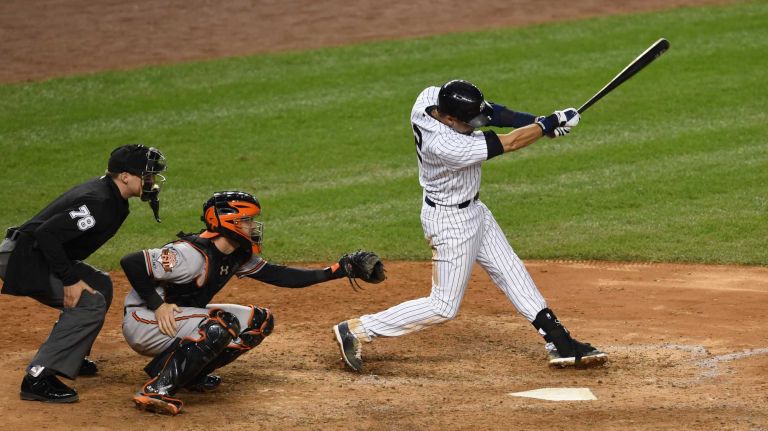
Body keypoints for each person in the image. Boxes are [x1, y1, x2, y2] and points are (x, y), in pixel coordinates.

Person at [332, 79, 607, 373]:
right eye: (468, 122)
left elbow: (493, 113)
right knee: (443, 306)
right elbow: (511, 142)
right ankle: (359, 329)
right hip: (451, 224)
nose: (475, 124)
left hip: (474, 210)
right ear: (449, 119)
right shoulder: (447, 146)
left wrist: (539, 122)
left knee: (511, 271)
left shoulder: (429, 98)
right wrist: (548, 124)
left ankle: (559, 341)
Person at [121, 191, 382, 415]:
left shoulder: (235, 255)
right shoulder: (191, 255)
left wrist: (337, 270)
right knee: (220, 325)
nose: (253, 226)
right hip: (145, 320)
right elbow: (132, 262)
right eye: (247, 220)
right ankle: (157, 390)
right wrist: (158, 305)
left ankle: (188, 375)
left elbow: (282, 276)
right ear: (228, 221)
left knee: (259, 320)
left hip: (177, 319)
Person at [0, 144, 167, 403]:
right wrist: (70, 280)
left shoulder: (112, 197)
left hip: (38, 253)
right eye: (147, 175)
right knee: (89, 302)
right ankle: (38, 377)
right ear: (125, 176)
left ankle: (72, 357)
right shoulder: (99, 201)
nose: (151, 181)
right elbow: (47, 234)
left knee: (101, 284)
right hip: (23, 258)